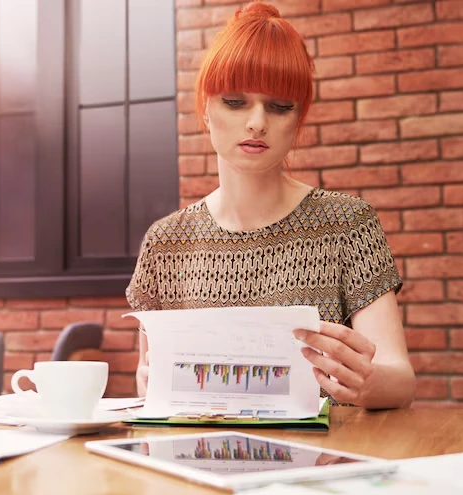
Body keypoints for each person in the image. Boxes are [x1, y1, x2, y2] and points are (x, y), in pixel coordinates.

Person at [126, 1, 416, 409]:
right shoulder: (166, 242)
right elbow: (148, 385)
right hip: (200, 462)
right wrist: (149, 383)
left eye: (279, 107)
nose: (257, 122)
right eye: (235, 102)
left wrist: (368, 383)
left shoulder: (347, 224)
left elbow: (400, 379)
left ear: (298, 119)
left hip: (324, 461)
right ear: (206, 110)